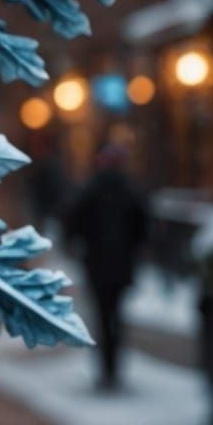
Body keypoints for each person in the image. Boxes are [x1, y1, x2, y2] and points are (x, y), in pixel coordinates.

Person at [64, 143, 149, 390]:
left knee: (103, 317)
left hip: (98, 266)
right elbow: (143, 230)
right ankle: (113, 367)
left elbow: (73, 225)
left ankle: (107, 368)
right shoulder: (129, 190)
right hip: (120, 265)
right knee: (116, 316)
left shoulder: (91, 190)